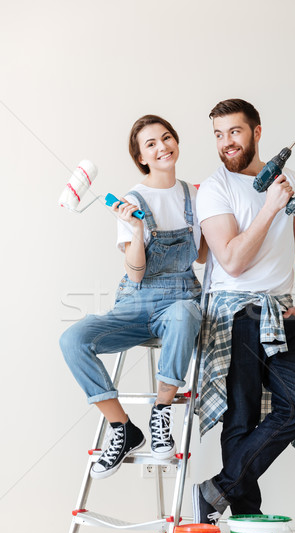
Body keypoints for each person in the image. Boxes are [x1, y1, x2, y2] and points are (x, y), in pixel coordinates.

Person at [192, 99, 295, 523]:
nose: (226, 143)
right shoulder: (216, 188)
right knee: (242, 416)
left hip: (284, 309)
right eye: (218, 134)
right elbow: (231, 260)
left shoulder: (289, 179)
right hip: (235, 312)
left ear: (257, 132)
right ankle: (248, 520)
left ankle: (217, 490)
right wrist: (270, 206)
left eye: (234, 132)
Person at [60, 114, 206, 480]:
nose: (162, 147)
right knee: (73, 339)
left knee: (187, 313)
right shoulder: (132, 201)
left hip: (180, 299)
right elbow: (136, 273)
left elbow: (202, 256)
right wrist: (137, 229)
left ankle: (161, 411)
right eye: (151, 144)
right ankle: (124, 428)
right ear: (141, 157)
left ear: (176, 142)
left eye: (167, 138)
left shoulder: (196, 195)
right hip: (135, 302)